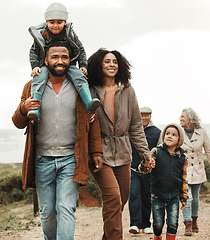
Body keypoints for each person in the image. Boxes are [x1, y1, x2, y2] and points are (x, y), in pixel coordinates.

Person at [11, 42, 103, 240]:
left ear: (70, 60)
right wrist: (23, 109)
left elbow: (92, 120)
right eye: (55, 57)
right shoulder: (32, 85)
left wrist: (96, 152)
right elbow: (18, 123)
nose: (60, 61)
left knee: (66, 208)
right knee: (47, 212)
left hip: (71, 159)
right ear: (45, 60)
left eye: (65, 57)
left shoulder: (80, 86)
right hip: (41, 159)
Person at [87, 48, 152, 240]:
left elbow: (136, 126)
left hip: (124, 152)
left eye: (114, 62)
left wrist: (146, 154)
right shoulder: (90, 90)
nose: (111, 65)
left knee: (120, 201)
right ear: (99, 65)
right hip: (99, 152)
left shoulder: (128, 91)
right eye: (107, 61)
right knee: (113, 199)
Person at [27, 2, 100, 120]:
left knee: (79, 76)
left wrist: (83, 65)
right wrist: (35, 66)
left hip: (68, 63)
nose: (55, 25)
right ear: (46, 22)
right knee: (39, 77)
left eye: (59, 22)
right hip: (47, 64)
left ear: (65, 22)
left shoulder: (70, 33)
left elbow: (80, 49)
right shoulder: (42, 34)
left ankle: (88, 103)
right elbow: (33, 51)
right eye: (52, 22)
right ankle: (36, 110)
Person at [139, 123, 188, 240]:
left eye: (173, 135)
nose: (169, 136)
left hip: (174, 197)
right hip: (157, 195)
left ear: (179, 139)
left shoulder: (182, 157)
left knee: (173, 224)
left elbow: (184, 178)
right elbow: (143, 170)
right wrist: (146, 164)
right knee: (158, 225)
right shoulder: (156, 152)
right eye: (167, 134)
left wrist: (184, 196)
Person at [179, 108, 210, 236]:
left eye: (183, 116)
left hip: (197, 170)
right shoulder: (178, 132)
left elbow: (208, 151)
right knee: (187, 197)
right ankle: (188, 224)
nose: (180, 118)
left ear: (190, 119)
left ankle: (195, 220)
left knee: (195, 198)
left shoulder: (202, 132)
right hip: (183, 171)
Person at [128, 106, 162, 235]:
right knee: (134, 194)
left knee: (147, 196)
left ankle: (146, 224)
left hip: (149, 171)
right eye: (141, 115)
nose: (144, 118)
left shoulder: (157, 132)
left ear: (150, 116)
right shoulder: (131, 130)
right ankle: (135, 224)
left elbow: (159, 151)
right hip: (132, 168)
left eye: (147, 115)